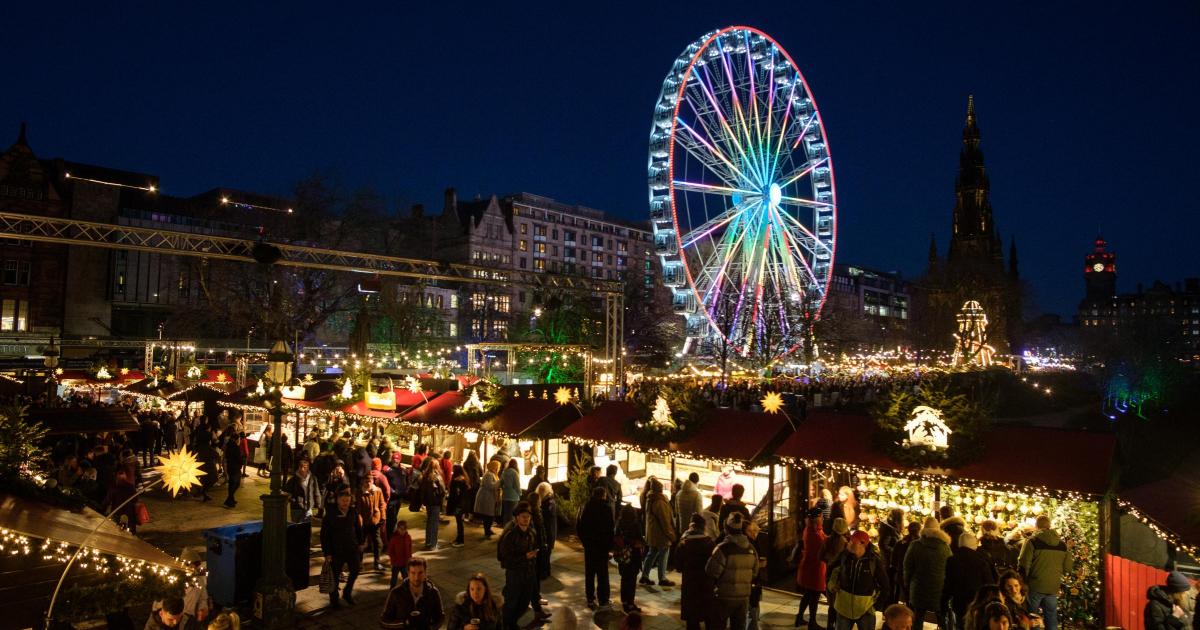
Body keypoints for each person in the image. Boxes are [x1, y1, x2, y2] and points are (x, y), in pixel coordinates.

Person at [499, 501, 549, 628]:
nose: (526, 519)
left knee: (524, 603)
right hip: (515, 575)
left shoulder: (532, 533)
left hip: (528, 574)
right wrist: (524, 557)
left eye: (528, 516)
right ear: (517, 518)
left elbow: (534, 550)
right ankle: (508, 626)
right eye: (523, 516)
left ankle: (514, 623)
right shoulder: (510, 536)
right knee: (512, 604)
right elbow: (505, 560)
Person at [1018, 516, 1072, 630]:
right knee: (1051, 617)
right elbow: (1068, 568)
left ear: (1036, 526)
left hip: (1035, 585)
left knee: (1033, 618)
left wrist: (1022, 582)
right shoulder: (1062, 545)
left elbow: (1024, 564)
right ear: (1049, 526)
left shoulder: (1032, 542)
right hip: (1053, 587)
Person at [706, 511, 759, 629]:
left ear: (727, 529)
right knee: (739, 626)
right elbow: (755, 572)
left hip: (724, 596)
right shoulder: (751, 549)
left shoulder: (722, 549)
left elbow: (711, 571)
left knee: (718, 625)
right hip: (743, 597)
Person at [829, 530, 890, 630]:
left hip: (865, 611)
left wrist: (876, 606)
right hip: (843, 608)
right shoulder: (844, 556)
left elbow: (885, 586)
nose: (849, 543)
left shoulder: (873, 561)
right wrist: (832, 585)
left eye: (853, 541)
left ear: (863, 544)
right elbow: (832, 570)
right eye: (850, 541)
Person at [320, 490, 364, 608]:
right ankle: (334, 600)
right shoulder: (330, 514)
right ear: (337, 500)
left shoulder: (353, 511)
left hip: (352, 547)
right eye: (343, 500)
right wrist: (327, 552)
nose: (345, 503)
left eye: (347, 501)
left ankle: (347, 593)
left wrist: (361, 543)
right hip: (336, 550)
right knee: (334, 575)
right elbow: (324, 535)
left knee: (355, 569)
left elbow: (358, 528)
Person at [946, 533, 998, 630]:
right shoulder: (981, 561)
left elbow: (947, 584)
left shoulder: (952, 560)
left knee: (960, 625)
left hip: (959, 602)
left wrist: (943, 602)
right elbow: (989, 584)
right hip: (977, 603)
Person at [380, 557, 445, 629]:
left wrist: (431, 628)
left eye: (420, 573)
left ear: (425, 573)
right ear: (408, 573)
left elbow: (440, 617)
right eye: (413, 573)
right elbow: (384, 621)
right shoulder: (396, 593)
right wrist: (404, 622)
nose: (416, 577)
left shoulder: (433, 592)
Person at [577, 486, 615, 610]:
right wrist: (610, 547)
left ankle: (590, 599)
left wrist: (585, 542)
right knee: (602, 574)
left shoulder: (586, 506)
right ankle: (603, 599)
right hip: (602, 547)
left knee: (590, 573)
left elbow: (579, 526)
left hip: (589, 547)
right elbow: (610, 529)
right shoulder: (606, 508)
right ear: (603, 495)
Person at [677, 513, 715, 629]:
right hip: (706, 583)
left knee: (692, 617)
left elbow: (678, 566)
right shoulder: (710, 543)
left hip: (690, 584)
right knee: (708, 615)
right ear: (703, 527)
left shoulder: (683, 543)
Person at [639, 477, 676, 587]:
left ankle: (644, 576)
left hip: (653, 532)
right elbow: (664, 520)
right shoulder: (659, 501)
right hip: (660, 533)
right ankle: (662, 578)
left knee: (652, 553)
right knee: (664, 553)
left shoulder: (650, 498)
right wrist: (670, 534)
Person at [796, 507, 828, 629]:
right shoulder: (814, 534)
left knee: (808, 594)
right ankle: (812, 622)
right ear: (816, 518)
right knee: (814, 595)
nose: (823, 518)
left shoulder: (812, 529)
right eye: (821, 516)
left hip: (810, 567)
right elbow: (823, 551)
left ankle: (799, 617)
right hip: (815, 569)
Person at [614, 504, 647, 614]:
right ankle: (630, 603)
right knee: (632, 580)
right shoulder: (635, 524)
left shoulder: (619, 524)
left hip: (623, 556)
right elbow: (640, 540)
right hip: (633, 556)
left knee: (624, 578)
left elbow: (616, 538)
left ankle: (624, 601)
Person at [822, 517, 851, 630]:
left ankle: (830, 626)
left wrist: (829, 560)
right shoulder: (845, 543)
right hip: (839, 575)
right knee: (838, 604)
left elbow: (820, 556)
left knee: (831, 603)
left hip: (829, 573)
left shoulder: (827, 540)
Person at [357, 476, 386, 570]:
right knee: (361, 543)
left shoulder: (378, 490)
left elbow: (382, 504)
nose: (368, 483)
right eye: (366, 481)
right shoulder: (360, 492)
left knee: (378, 543)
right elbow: (358, 509)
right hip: (364, 523)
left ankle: (377, 563)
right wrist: (359, 522)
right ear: (363, 482)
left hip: (375, 521)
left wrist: (383, 516)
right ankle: (359, 563)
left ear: (373, 481)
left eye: (370, 481)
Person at [283, 456, 322, 523]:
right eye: (301, 467)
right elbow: (286, 491)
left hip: (308, 506)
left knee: (307, 524)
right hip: (296, 507)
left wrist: (318, 504)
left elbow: (316, 491)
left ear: (308, 468)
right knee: (296, 525)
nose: (302, 469)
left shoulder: (313, 478)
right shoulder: (293, 479)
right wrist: (292, 499)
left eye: (304, 467)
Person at [420, 463, 447, 551]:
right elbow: (442, 490)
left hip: (428, 502)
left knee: (429, 522)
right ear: (436, 467)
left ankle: (428, 542)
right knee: (434, 523)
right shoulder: (437, 477)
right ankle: (433, 544)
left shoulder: (425, 476)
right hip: (435, 502)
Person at [535, 482, 557, 577]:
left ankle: (545, 572)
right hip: (546, 532)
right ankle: (545, 571)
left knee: (546, 553)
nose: (540, 492)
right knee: (544, 553)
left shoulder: (549, 503)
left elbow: (548, 518)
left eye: (542, 490)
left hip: (548, 532)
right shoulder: (544, 501)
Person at [475, 460, 501, 539]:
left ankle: (488, 530)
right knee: (488, 515)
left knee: (489, 515)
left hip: (489, 496)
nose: (498, 469)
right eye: (497, 467)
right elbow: (490, 486)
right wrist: (500, 482)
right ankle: (487, 532)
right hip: (486, 496)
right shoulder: (489, 474)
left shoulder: (492, 474)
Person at [447, 464, 471, 548]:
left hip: (459, 505)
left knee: (459, 522)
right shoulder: (464, 479)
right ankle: (458, 539)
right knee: (459, 522)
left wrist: (457, 505)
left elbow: (457, 494)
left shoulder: (458, 481)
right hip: (462, 504)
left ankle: (460, 540)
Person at [387, 520, 414, 589]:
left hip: (405, 562)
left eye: (404, 529)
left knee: (406, 577)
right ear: (398, 528)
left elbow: (410, 548)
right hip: (396, 563)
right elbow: (390, 550)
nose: (403, 531)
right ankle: (392, 589)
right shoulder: (394, 538)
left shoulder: (408, 537)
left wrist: (410, 558)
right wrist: (393, 559)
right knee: (394, 578)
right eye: (401, 529)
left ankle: (408, 589)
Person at [222, 432, 243, 509]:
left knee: (232, 483)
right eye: (239, 439)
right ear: (236, 439)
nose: (239, 441)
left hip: (230, 466)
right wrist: (241, 463)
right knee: (236, 483)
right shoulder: (235, 447)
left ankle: (230, 499)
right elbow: (238, 457)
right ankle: (229, 500)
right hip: (235, 467)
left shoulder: (228, 445)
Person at [500, 459, 521, 525]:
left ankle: (505, 528)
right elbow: (517, 485)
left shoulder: (504, 472)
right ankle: (510, 528)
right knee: (512, 514)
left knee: (506, 514)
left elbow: (501, 483)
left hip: (505, 496)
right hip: (513, 497)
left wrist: (504, 489)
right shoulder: (515, 473)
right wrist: (520, 493)